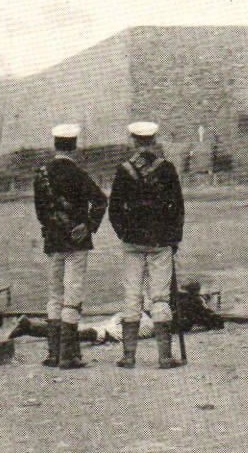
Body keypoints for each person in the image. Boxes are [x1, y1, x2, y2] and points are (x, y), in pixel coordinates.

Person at [108, 121, 186, 369]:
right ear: (154, 140)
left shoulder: (124, 170)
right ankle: (164, 356)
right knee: (160, 298)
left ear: (133, 140)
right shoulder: (166, 169)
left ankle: (128, 356)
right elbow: (178, 208)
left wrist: (125, 234)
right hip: (160, 240)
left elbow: (115, 210)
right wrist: (174, 238)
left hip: (132, 242)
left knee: (132, 296)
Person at [33, 123, 107, 369]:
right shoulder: (78, 173)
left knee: (55, 295)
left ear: (55, 144)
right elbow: (100, 200)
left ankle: (53, 353)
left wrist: (55, 228)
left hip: (53, 240)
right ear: (74, 146)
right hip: (77, 241)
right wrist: (87, 224)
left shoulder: (41, 174)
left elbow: (41, 212)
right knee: (72, 295)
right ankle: (69, 355)